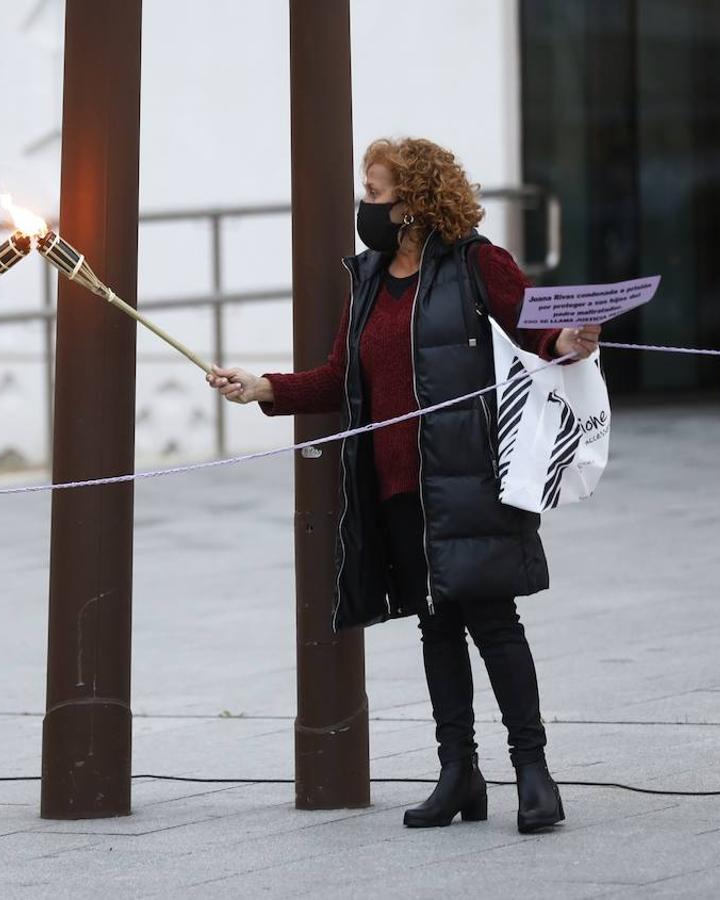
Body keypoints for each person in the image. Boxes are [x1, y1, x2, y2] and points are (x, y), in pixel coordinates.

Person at [208, 138, 601, 834]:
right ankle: (458, 774)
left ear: (413, 201)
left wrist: (567, 338)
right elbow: (339, 377)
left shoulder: (475, 262)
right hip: (391, 486)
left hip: (466, 477)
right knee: (435, 625)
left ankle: (534, 775)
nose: (365, 203)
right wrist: (261, 386)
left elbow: (538, 327)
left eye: (375, 190)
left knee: (493, 623)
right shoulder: (366, 279)